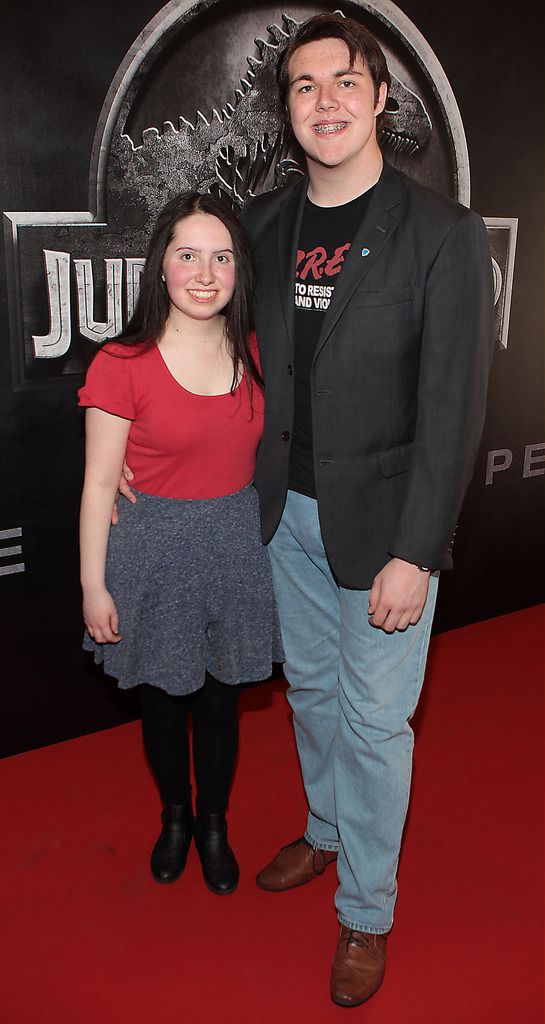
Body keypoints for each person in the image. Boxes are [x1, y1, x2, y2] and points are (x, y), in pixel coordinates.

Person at [237, 12, 495, 1007]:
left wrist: (416, 549)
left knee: (377, 723)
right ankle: (327, 829)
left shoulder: (440, 233)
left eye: (345, 82)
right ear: (288, 110)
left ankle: (365, 910)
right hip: (281, 519)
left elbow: (451, 405)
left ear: (381, 98)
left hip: (384, 528)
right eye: (304, 86)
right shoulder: (260, 225)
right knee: (307, 691)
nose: (326, 101)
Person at [78, 192, 283, 896]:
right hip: (153, 552)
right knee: (165, 702)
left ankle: (214, 824)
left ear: (238, 270)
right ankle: (175, 817)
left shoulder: (259, 352)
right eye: (187, 254)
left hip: (232, 546)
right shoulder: (121, 362)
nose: (204, 272)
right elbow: (99, 486)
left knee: (222, 704)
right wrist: (93, 587)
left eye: (221, 256)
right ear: (159, 266)